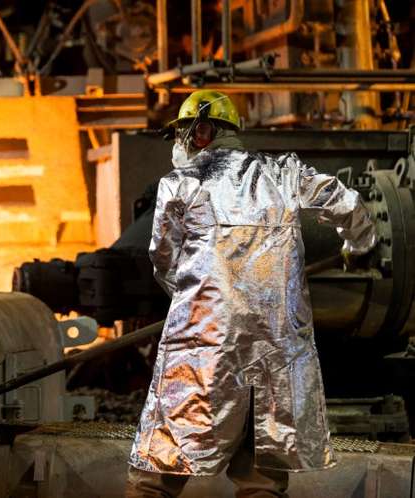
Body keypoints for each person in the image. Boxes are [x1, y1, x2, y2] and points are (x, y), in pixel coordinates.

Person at [127, 90, 378, 498]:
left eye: (183, 134)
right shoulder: (285, 173)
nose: (180, 145)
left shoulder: (180, 185)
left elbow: (164, 260)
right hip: (275, 350)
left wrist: (195, 299)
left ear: (202, 132)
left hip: (205, 346)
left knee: (160, 465)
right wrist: (357, 245)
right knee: (262, 478)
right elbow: (348, 204)